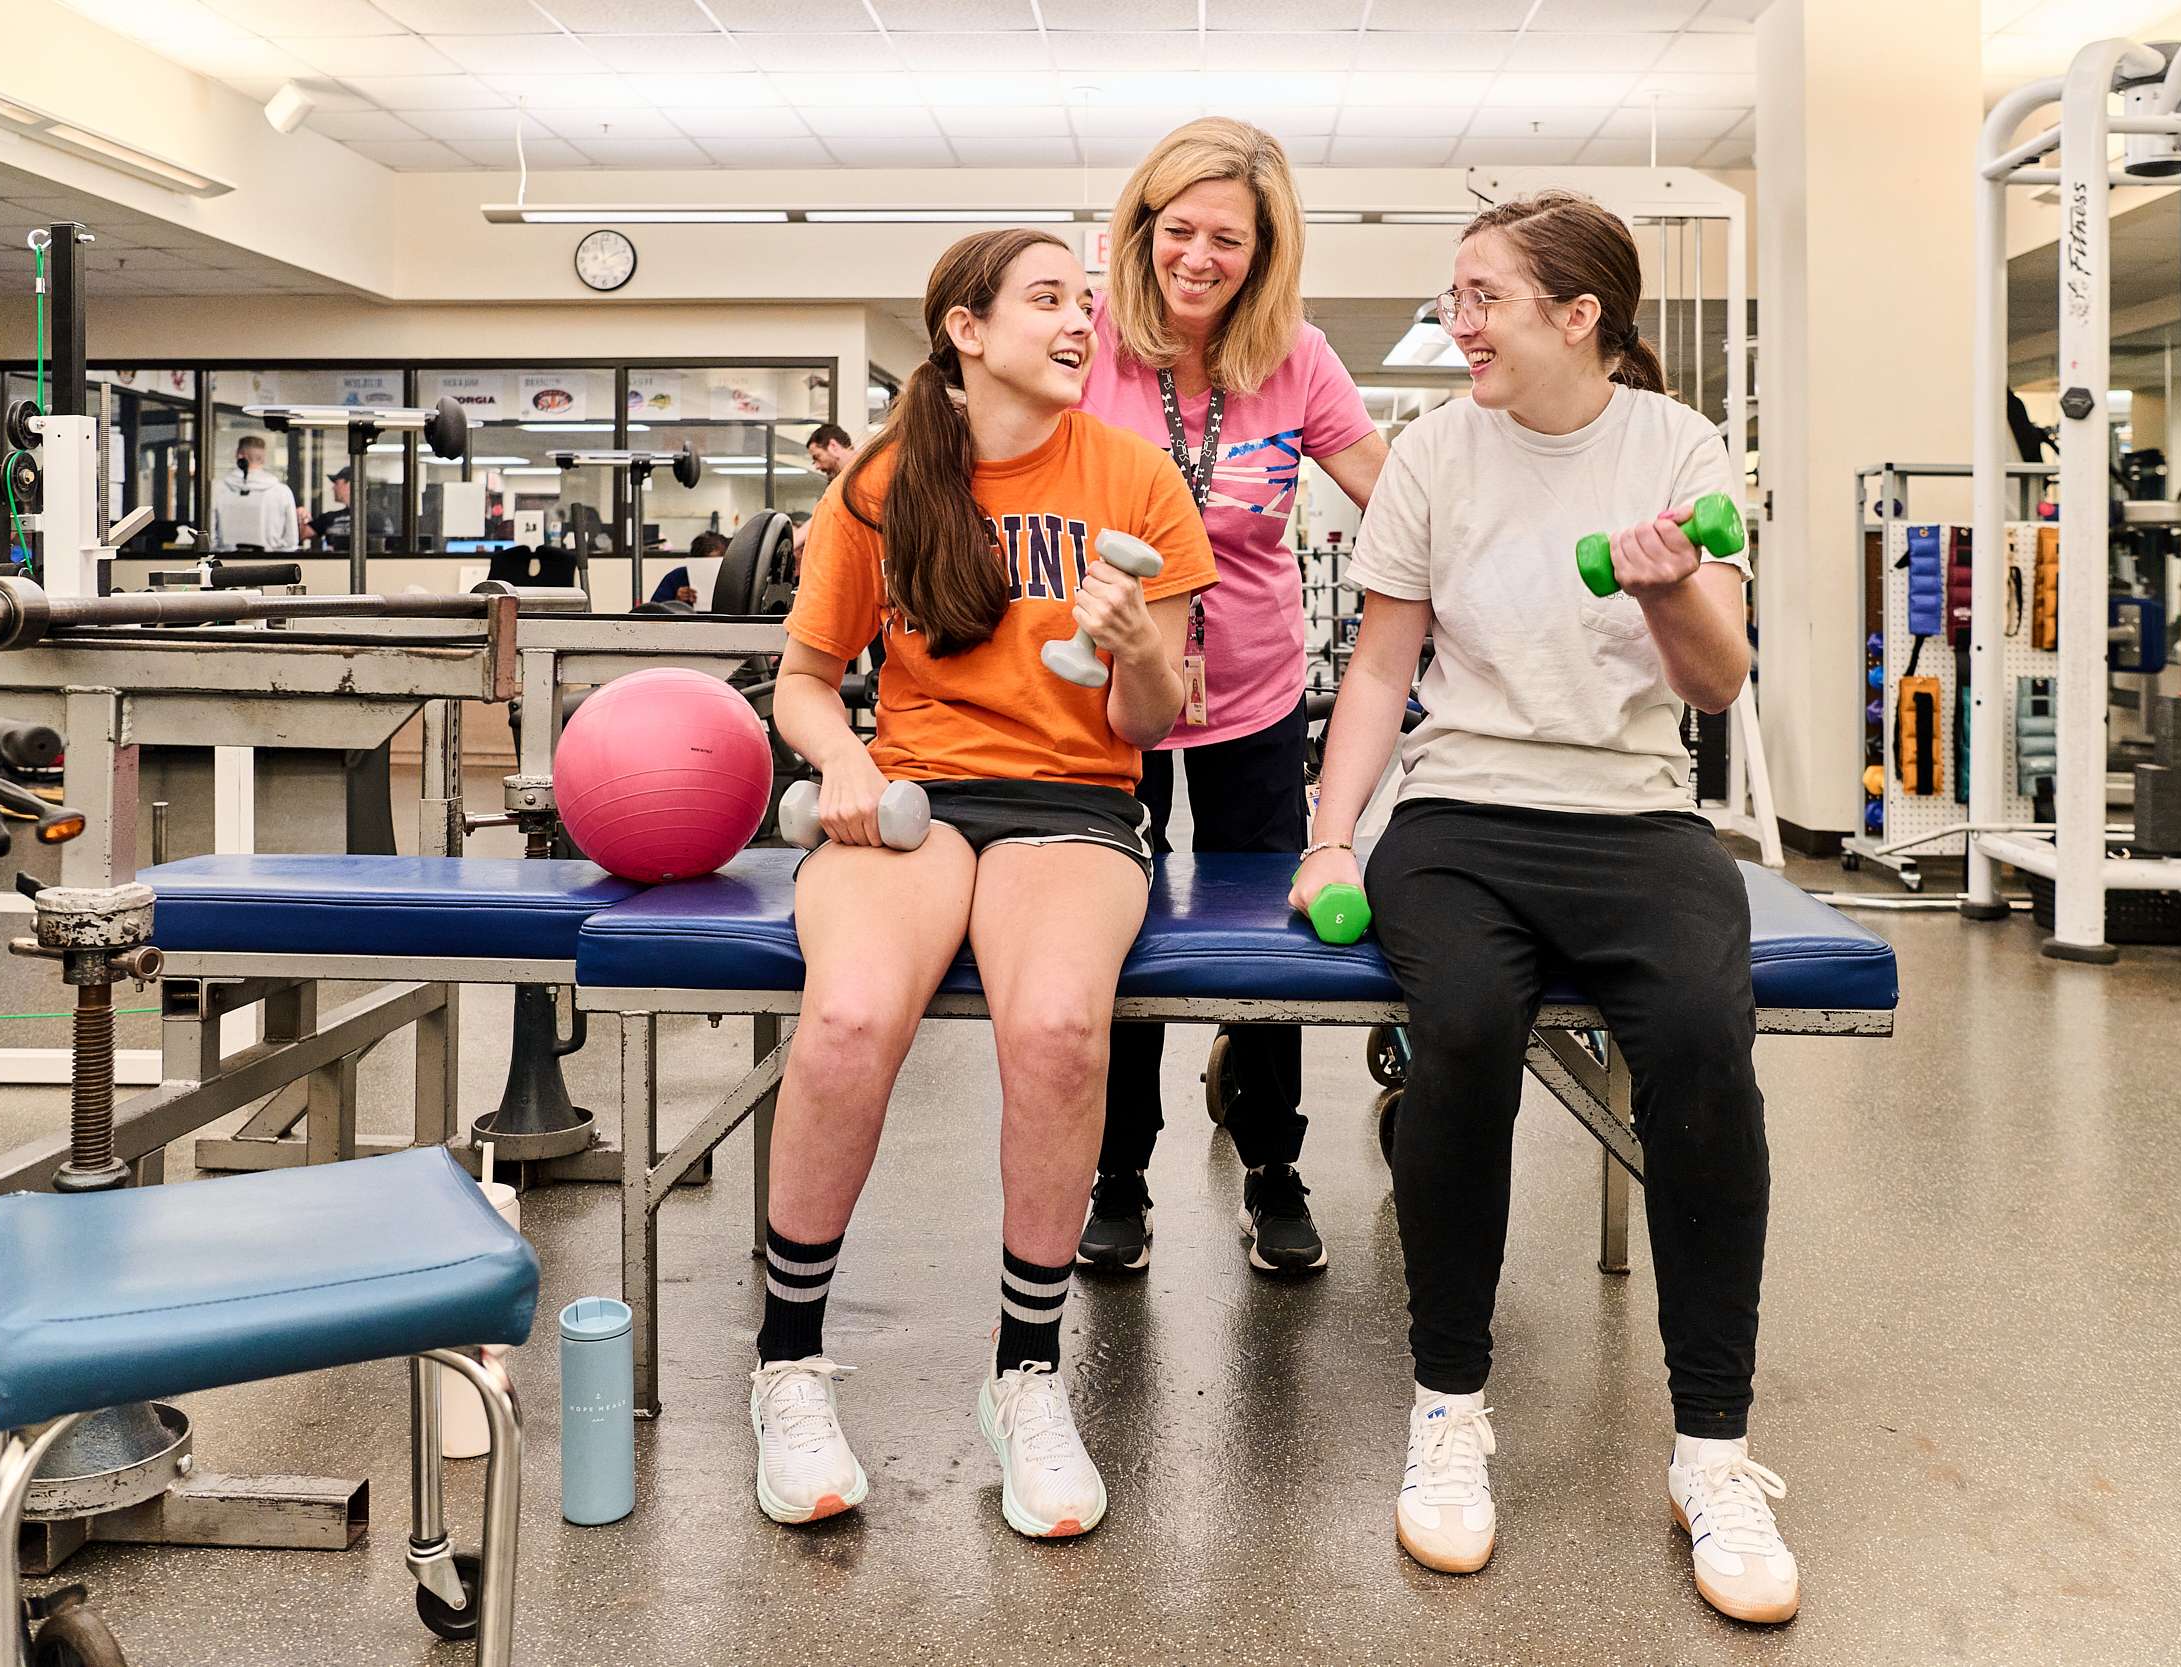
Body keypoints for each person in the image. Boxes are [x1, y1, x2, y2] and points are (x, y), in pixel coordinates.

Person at [1294, 191, 1792, 1619]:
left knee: (1701, 1041)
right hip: (1460, 815)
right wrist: (1330, 841)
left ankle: (1713, 1451)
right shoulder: (1433, 453)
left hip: (1636, 814)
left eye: (1484, 298)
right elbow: (1383, 666)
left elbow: (1715, 680)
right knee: (1459, 1029)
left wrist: (1669, 588)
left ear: (1580, 316)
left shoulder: (1677, 446)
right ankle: (1448, 1407)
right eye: (1454, 297)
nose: (1458, 323)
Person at [752, 228, 1215, 1541]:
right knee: (849, 1019)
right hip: (912, 797)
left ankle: (1026, 1375)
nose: (1080, 323)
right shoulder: (884, 480)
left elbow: (1149, 718)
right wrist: (845, 759)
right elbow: (802, 679)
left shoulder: (1135, 477)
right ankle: (787, 1365)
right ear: (965, 329)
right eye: (1048, 299)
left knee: (1060, 1029)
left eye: (1086, 304)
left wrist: (1133, 649)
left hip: (1073, 800)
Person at [1072, 117, 1388, 1279]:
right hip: (1110, 691)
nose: (1197, 257)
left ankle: (1271, 1162)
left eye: (1228, 240)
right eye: (1179, 229)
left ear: (1263, 253)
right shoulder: (1087, 341)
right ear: (1143, 226)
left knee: (1268, 930)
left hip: (1253, 691)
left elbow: (1393, 497)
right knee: (1112, 922)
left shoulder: (1295, 356)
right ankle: (1117, 1171)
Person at [213, 435, 301, 551]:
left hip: (226, 560)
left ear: (239, 456)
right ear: (263, 459)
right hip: (270, 560)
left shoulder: (218, 489)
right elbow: (291, 541)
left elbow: (209, 537)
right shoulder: (282, 492)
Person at [309, 466, 391, 549]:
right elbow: (304, 533)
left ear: (350, 484)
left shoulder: (377, 518)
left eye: (336, 483)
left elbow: (381, 547)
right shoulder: (328, 518)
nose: (333, 488)